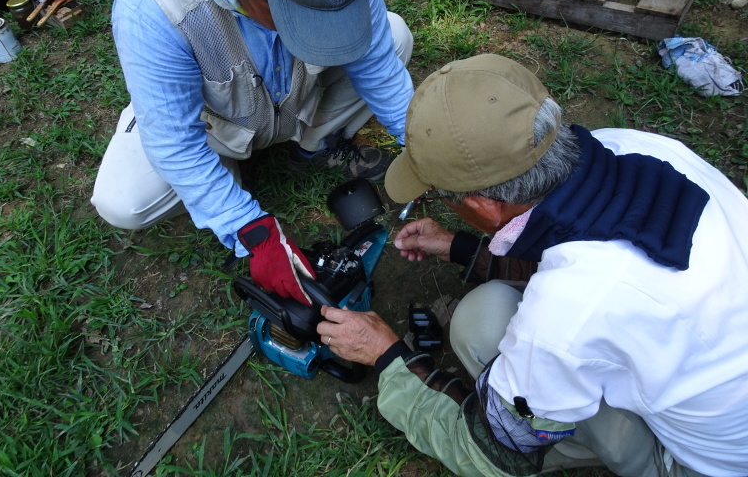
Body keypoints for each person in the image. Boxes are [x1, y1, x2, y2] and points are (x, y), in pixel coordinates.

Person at [317, 54, 748, 477]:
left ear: (483, 205)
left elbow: (489, 451)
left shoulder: (568, 314)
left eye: (439, 196)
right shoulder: (632, 145)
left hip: (707, 464)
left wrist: (387, 355)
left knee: (481, 324)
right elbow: (583, 252)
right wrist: (463, 248)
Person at [91, 0, 414, 304]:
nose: (315, 32)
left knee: (393, 36)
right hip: (214, 125)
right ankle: (228, 170)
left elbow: (376, 65)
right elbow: (174, 141)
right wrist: (253, 231)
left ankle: (312, 142)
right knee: (122, 202)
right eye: (293, 14)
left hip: (297, 97)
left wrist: (436, 154)